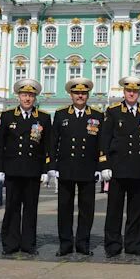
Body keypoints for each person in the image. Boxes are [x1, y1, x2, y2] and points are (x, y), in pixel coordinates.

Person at [99, 76, 140, 258]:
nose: (132, 93)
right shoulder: (113, 111)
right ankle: (113, 246)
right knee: (114, 210)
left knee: (136, 211)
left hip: (139, 170)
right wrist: (105, 164)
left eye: (135, 91)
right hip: (118, 168)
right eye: (129, 90)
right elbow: (104, 139)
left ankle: (133, 245)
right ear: (124, 92)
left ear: (139, 93)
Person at [0, 79, 52, 255]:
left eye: (31, 95)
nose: (27, 98)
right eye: (24, 95)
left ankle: (28, 244)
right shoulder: (8, 116)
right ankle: (10, 244)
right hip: (12, 169)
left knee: (30, 209)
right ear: (18, 96)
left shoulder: (43, 117)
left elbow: (47, 145)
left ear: (35, 98)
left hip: (33, 170)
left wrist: (45, 170)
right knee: (12, 207)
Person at [48, 78, 103, 256]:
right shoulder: (61, 114)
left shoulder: (97, 115)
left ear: (88, 95)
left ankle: (82, 243)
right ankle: (65, 244)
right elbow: (53, 141)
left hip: (88, 169)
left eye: (83, 93)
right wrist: (53, 165)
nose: (80, 96)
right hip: (66, 168)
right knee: (64, 208)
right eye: (77, 93)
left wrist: (100, 167)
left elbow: (101, 143)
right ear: (71, 95)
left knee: (87, 209)